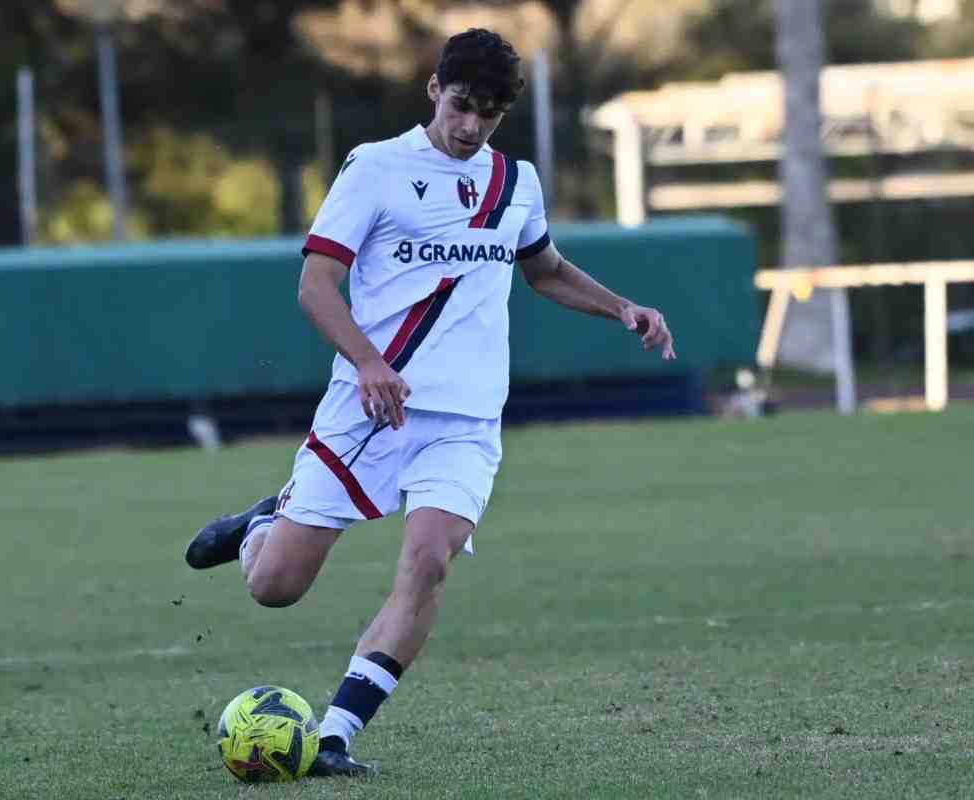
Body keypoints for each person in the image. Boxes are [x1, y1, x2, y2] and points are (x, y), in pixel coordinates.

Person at [185, 28, 676, 777]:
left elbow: (543, 270)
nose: (470, 125)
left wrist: (622, 308)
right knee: (275, 588)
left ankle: (337, 735)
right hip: (369, 408)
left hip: (466, 421)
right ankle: (264, 522)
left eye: (487, 113)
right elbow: (316, 286)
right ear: (433, 91)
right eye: (460, 104)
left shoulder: (516, 182)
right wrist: (371, 363)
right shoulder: (376, 169)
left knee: (429, 563)